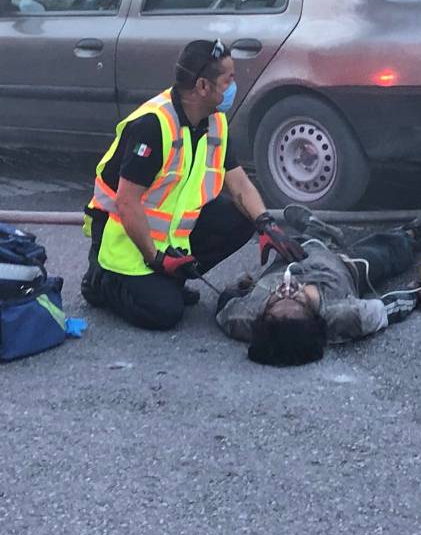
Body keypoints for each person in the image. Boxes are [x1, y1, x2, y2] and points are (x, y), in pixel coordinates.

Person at [80, 39, 306, 329]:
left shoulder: (215, 122)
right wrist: (156, 259)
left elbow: (237, 182)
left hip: (163, 234)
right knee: (164, 314)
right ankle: (100, 281)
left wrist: (266, 224)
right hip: (120, 235)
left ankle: (167, 279)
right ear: (202, 86)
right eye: (229, 80)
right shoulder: (153, 126)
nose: (234, 87)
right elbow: (126, 202)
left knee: (241, 218)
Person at [215, 205, 421, 366]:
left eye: (276, 300)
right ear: (318, 318)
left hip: (289, 255)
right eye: (297, 300)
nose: (288, 290)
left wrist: (242, 286)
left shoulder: (241, 318)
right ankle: (412, 232)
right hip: (345, 267)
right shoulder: (346, 316)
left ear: (262, 316)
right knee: (388, 253)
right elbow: (389, 307)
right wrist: (420, 292)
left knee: (295, 241)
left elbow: (225, 301)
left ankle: (315, 230)